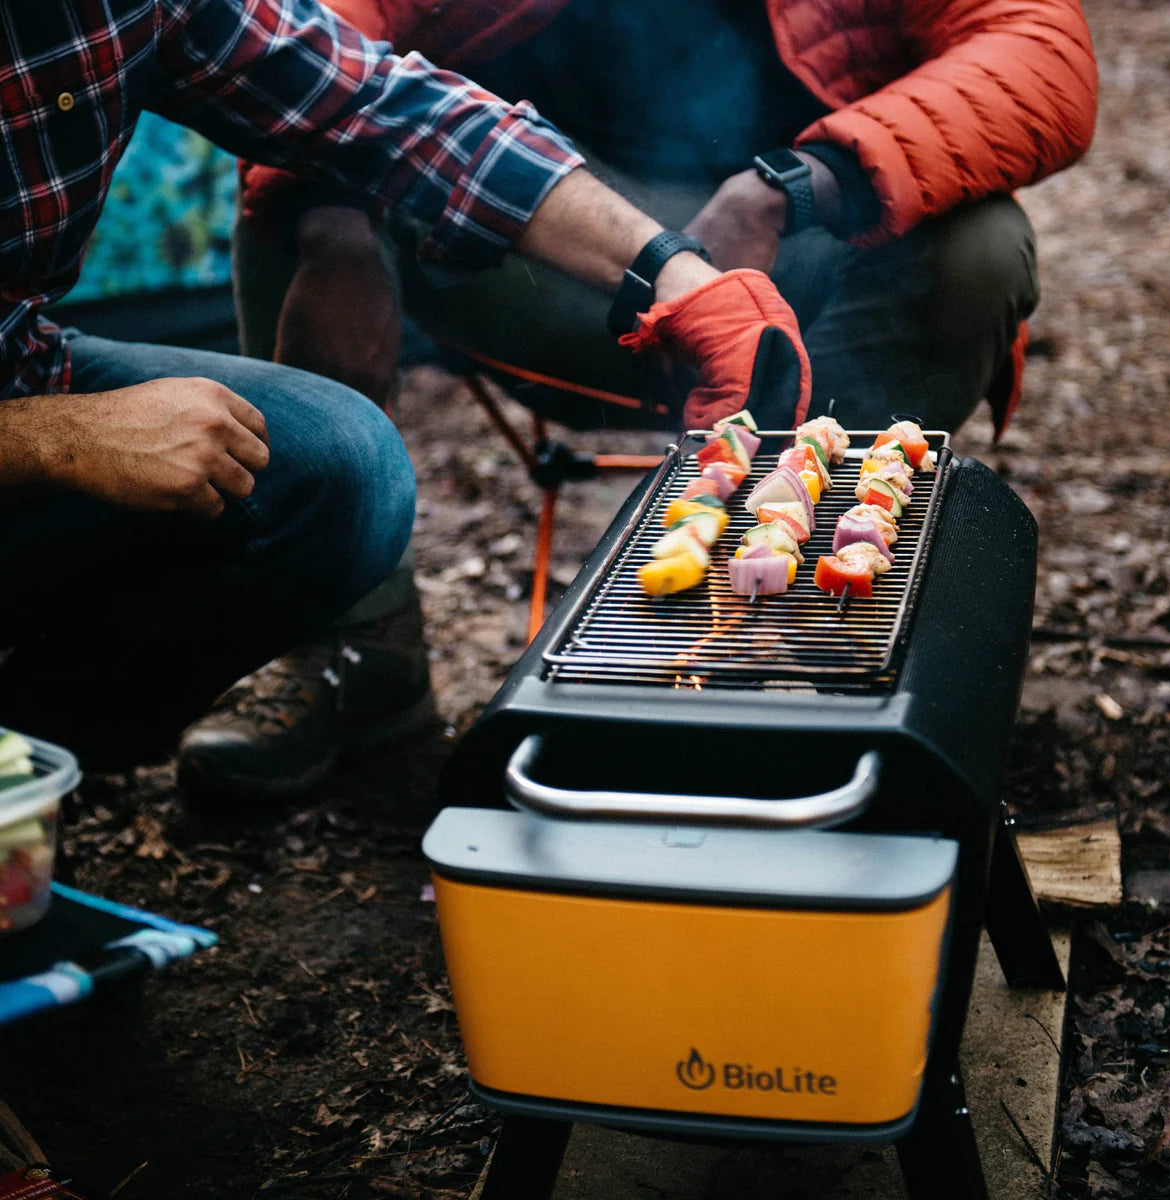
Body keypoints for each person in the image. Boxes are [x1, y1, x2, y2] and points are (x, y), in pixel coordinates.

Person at [183, 0, 1098, 800]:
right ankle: (358, 643)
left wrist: (791, 186)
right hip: (555, 258)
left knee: (977, 246)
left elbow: (1038, 51)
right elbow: (317, 38)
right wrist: (333, 226)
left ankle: (808, 629)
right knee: (297, 201)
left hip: (805, 259)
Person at [0, 0, 812, 777]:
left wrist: (670, 271)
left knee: (337, 463)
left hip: (20, 365)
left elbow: (381, 107)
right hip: (23, 423)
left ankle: (28, 756)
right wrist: (55, 438)